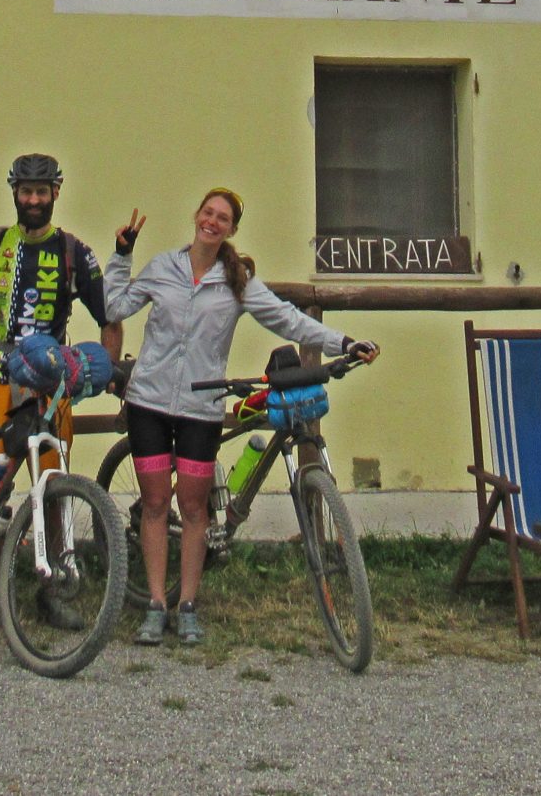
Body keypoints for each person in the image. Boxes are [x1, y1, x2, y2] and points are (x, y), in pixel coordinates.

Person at [107, 188, 377, 647]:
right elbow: (115, 308)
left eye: (223, 218)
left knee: (193, 509)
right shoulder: (163, 268)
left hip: (200, 406)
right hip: (148, 402)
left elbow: (289, 320)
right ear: (196, 216)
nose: (212, 221)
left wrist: (343, 342)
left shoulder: (238, 282)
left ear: (232, 229)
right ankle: (155, 605)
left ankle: (187, 605)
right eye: (208, 213)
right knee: (154, 506)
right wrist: (121, 255)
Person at [0, 152, 122, 627]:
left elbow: (110, 317)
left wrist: (102, 371)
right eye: (26, 191)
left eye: (42, 192)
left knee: (54, 487)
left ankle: (54, 589)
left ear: (56, 193)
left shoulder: (74, 252)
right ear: (14, 192)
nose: (34, 200)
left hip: (52, 385)